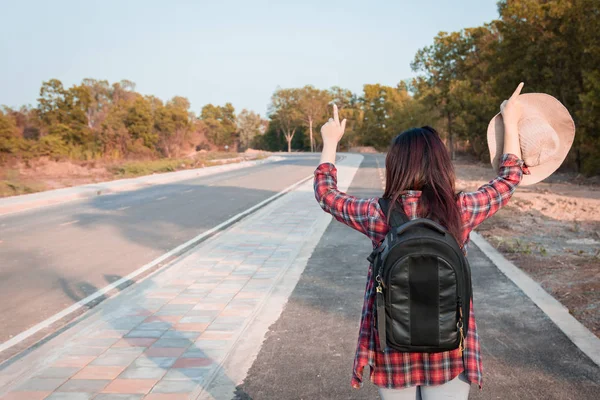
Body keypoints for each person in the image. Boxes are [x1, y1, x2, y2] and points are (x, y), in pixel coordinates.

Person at [313, 83, 530, 399]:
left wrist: (330, 142)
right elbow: (509, 179)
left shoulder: (378, 214)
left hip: (392, 348)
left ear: (395, 165)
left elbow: (327, 195)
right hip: (449, 348)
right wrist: (509, 123)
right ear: (442, 164)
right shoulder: (460, 210)